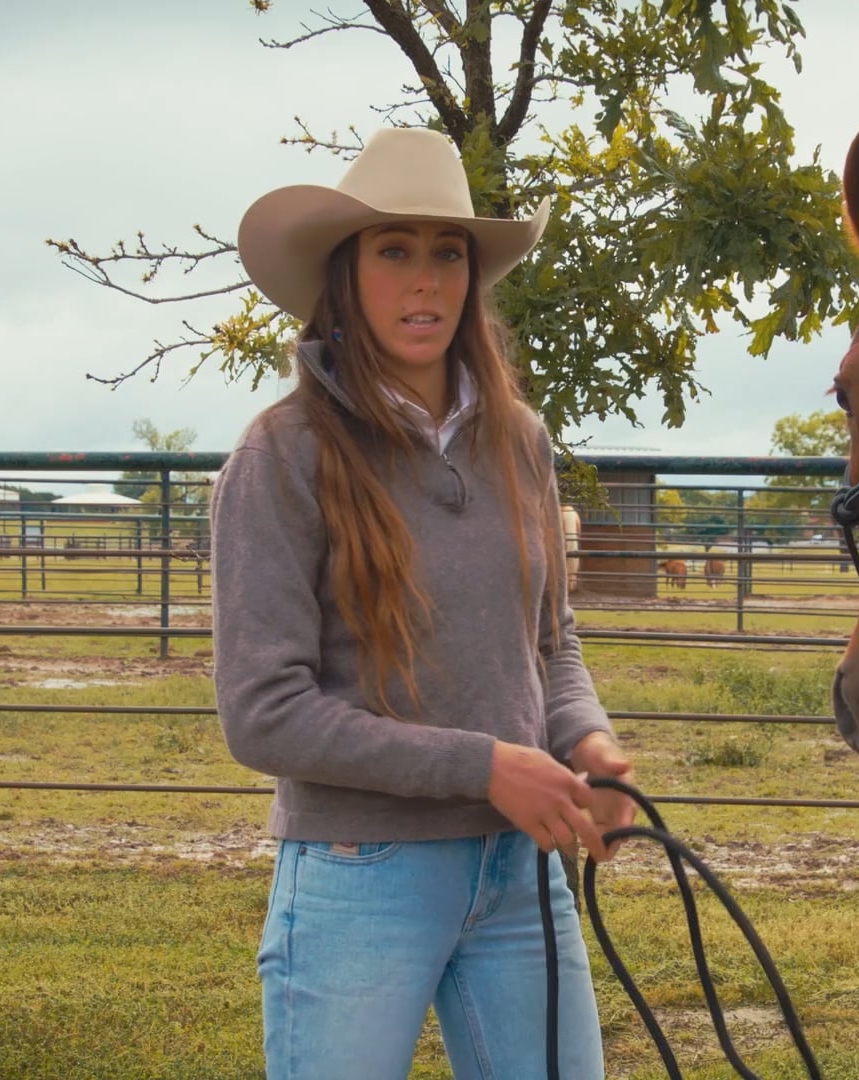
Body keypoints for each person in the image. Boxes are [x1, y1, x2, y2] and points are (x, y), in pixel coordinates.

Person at [211, 127, 637, 1080]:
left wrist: (590, 745)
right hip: (362, 871)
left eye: (449, 254)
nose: (427, 281)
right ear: (344, 274)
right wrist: (484, 766)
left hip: (520, 871)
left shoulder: (518, 441)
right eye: (394, 250)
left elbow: (549, 645)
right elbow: (262, 713)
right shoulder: (284, 456)